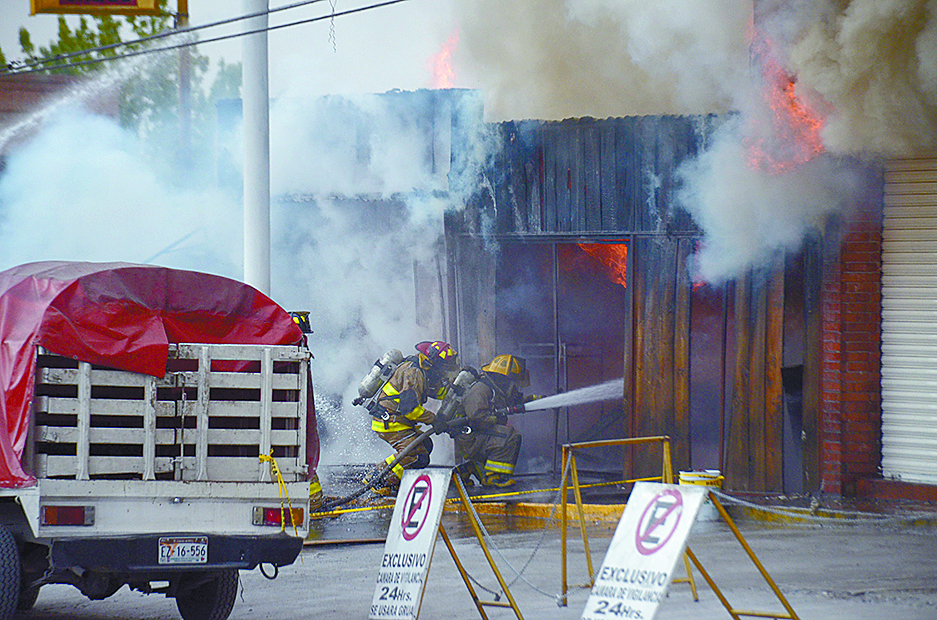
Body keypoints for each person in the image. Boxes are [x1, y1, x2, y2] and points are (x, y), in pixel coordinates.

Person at [368, 340, 460, 494]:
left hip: (396, 420)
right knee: (417, 454)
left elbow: (436, 392)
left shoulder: (423, 368)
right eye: (445, 367)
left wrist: (456, 388)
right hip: (391, 421)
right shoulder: (414, 372)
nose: (445, 371)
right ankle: (377, 479)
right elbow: (410, 410)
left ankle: (390, 479)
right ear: (436, 363)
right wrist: (435, 420)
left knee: (426, 445)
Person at [454, 354, 532, 488]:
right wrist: (496, 418)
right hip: (470, 436)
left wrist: (536, 400)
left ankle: (470, 469)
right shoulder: (482, 388)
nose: (513, 385)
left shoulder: (496, 388)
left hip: (476, 434)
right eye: (512, 380)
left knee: (501, 434)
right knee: (510, 435)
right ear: (504, 378)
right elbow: (476, 417)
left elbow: (513, 400)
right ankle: (493, 476)